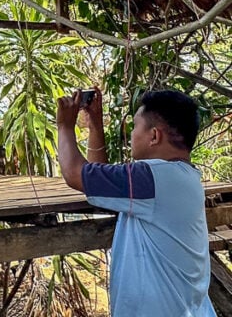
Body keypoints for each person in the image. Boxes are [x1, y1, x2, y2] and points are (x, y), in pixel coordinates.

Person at [57, 88, 216, 316]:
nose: (131, 134)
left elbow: (74, 173)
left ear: (154, 136)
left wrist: (64, 126)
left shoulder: (152, 177)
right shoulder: (177, 177)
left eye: (135, 127)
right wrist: (94, 126)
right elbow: (99, 180)